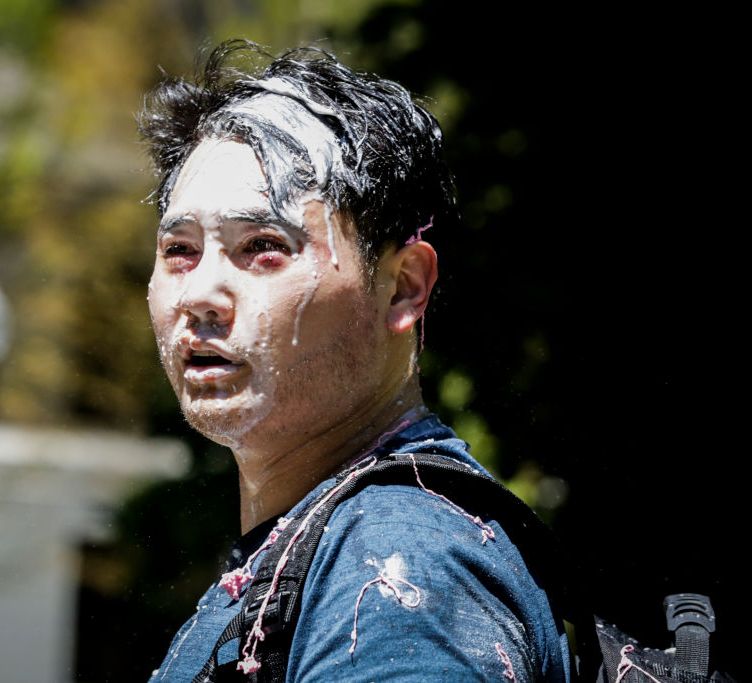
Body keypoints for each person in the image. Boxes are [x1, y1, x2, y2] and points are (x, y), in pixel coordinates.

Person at [139, 40, 571, 682]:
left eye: (262, 246)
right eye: (179, 250)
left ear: (403, 286)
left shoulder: (399, 571)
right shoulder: (323, 549)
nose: (199, 293)